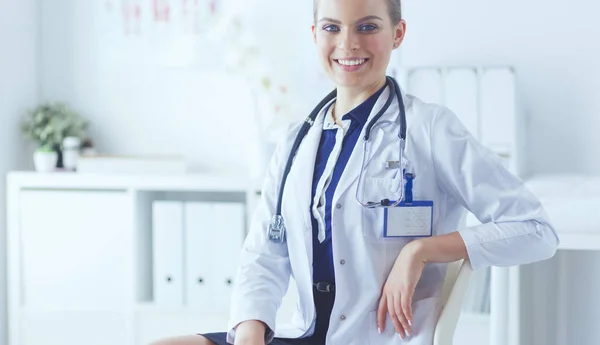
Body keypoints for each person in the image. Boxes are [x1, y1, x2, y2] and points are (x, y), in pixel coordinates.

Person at [150, 0, 559, 344]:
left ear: (397, 34)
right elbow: (264, 255)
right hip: (302, 333)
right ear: (315, 35)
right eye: (332, 27)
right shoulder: (296, 140)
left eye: (367, 27)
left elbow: (536, 230)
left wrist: (422, 250)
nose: (348, 44)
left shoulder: (430, 128)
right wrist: (250, 330)